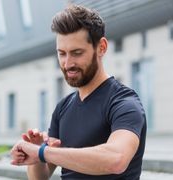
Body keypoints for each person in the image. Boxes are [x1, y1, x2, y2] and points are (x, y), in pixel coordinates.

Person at [10, 4, 147, 180]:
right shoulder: (63, 108)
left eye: (77, 53)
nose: (67, 63)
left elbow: (116, 160)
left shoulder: (124, 103)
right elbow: (40, 177)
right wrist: (37, 156)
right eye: (62, 53)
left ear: (101, 47)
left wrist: (43, 152)